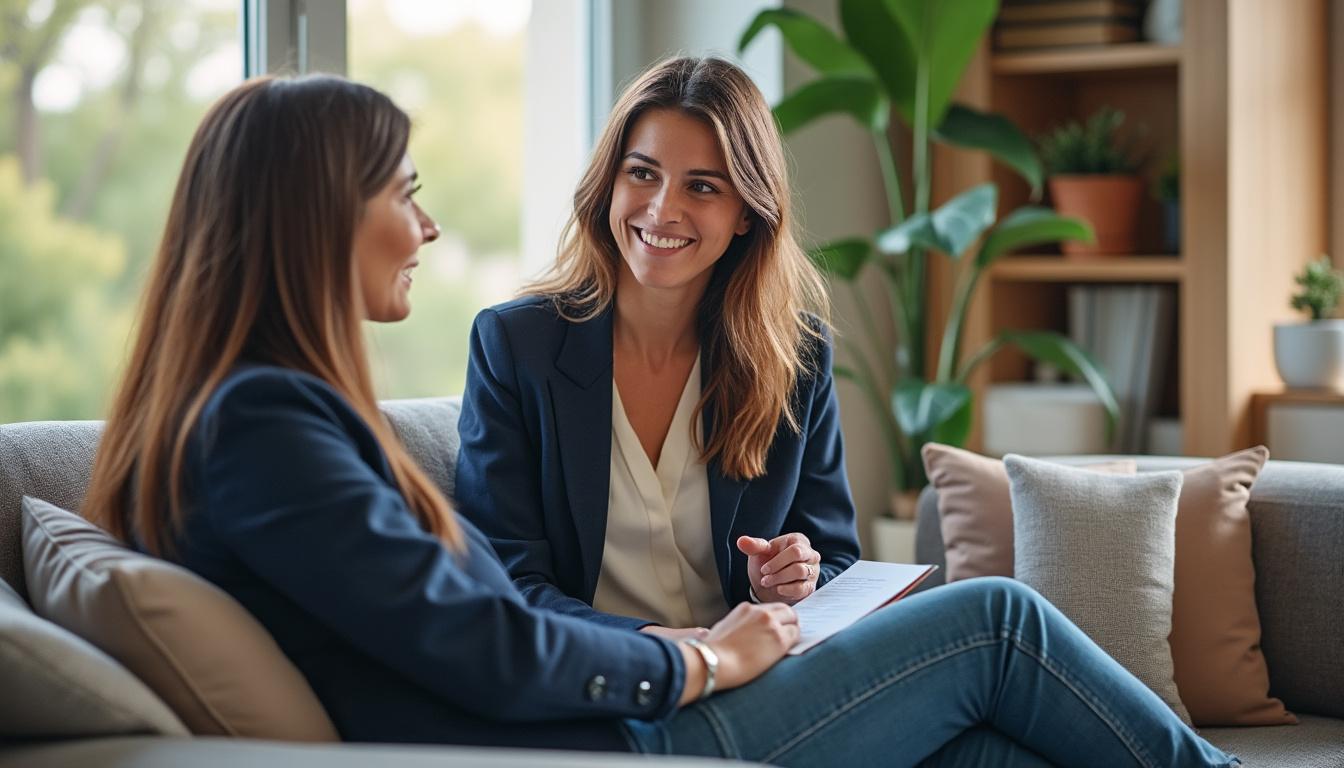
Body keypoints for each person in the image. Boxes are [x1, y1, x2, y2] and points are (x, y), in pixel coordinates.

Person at [83, 72, 1237, 766]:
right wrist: (698, 657)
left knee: (982, 747)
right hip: (611, 733)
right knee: (997, 621)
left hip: (629, 707)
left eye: (703, 186)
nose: (425, 227)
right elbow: (484, 634)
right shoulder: (264, 426)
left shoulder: (262, 414)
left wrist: (772, 601)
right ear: (312, 216)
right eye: (404, 193)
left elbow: (455, 619)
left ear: (746, 214)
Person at [454, 56, 860, 639]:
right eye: (642, 173)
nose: (663, 209)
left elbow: (836, 559)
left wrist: (786, 582)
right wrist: (662, 648)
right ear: (609, 184)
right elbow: (501, 577)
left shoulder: (796, 356)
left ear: (747, 214)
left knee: (984, 611)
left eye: (702, 186)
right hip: (606, 674)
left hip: (761, 672)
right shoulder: (516, 346)